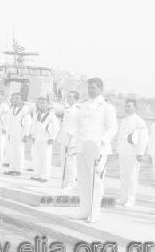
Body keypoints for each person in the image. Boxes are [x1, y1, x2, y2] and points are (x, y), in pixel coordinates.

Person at [75, 78, 117, 223]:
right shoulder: (84, 105)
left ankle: (94, 213)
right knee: (83, 180)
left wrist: (101, 142)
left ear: (100, 88)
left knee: (96, 181)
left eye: (93, 88)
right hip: (82, 147)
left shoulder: (106, 106)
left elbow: (112, 128)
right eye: (89, 88)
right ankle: (84, 210)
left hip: (97, 149)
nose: (90, 90)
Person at [117, 99, 148, 207]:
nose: (127, 108)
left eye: (130, 106)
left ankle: (131, 199)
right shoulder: (124, 120)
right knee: (123, 176)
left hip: (133, 153)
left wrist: (140, 153)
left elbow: (143, 138)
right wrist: (119, 150)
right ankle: (123, 198)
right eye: (126, 106)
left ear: (135, 108)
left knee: (132, 176)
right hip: (123, 152)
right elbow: (121, 137)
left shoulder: (139, 121)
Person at [29, 97, 60, 182]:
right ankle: (37, 174)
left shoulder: (52, 115)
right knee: (36, 157)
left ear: (47, 104)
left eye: (43, 103)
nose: (41, 105)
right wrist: (33, 135)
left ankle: (45, 176)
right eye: (39, 103)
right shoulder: (36, 114)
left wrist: (52, 138)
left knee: (46, 158)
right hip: (37, 138)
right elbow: (34, 125)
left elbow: (56, 128)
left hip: (46, 139)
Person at [57, 91, 80, 189]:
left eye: (71, 97)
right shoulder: (67, 109)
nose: (69, 98)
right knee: (64, 161)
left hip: (73, 139)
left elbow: (78, 126)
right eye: (68, 96)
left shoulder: (77, 111)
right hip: (64, 138)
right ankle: (65, 182)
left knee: (71, 163)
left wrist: (73, 139)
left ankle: (71, 183)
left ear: (76, 99)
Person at [4, 92, 31, 176]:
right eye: (14, 98)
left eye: (18, 98)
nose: (16, 100)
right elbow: (9, 123)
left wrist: (26, 134)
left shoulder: (25, 109)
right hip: (12, 133)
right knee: (12, 151)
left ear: (21, 99)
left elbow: (27, 122)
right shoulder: (12, 109)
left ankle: (18, 170)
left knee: (19, 152)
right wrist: (8, 134)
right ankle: (12, 168)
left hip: (20, 133)